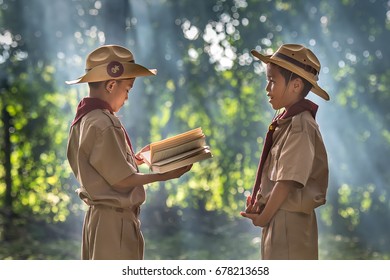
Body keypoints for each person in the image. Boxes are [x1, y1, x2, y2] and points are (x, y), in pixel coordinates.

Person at [66, 44, 192, 260]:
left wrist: (135, 160)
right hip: (115, 225)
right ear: (111, 84)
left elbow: (101, 167)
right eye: (127, 89)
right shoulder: (105, 123)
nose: (126, 98)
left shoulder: (86, 119)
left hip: (98, 220)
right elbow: (122, 180)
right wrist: (167, 174)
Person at [240, 44, 329, 260]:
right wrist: (261, 206)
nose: (267, 88)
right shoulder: (285, 122)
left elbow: (287, 181)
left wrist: (263, 218)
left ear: (296, 85)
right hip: (277, 218)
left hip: (290, 224)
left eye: (272, 81)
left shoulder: (301, 125)